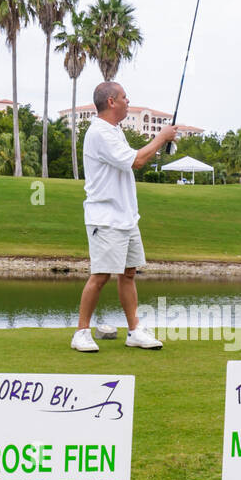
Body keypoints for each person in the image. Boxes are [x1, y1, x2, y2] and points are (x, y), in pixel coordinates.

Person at [71, 81, 180, 352]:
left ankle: (134, 331)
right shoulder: (99, 132)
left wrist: (160, 141)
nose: (128, 101)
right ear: (111, 102)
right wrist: (161, 137)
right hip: (105, 217)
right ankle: (81, 332)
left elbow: (134, 157)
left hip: (126, 216)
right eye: (124, 97)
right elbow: (136, 161)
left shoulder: (115, 130)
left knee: (129, 273)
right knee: (100, 275)